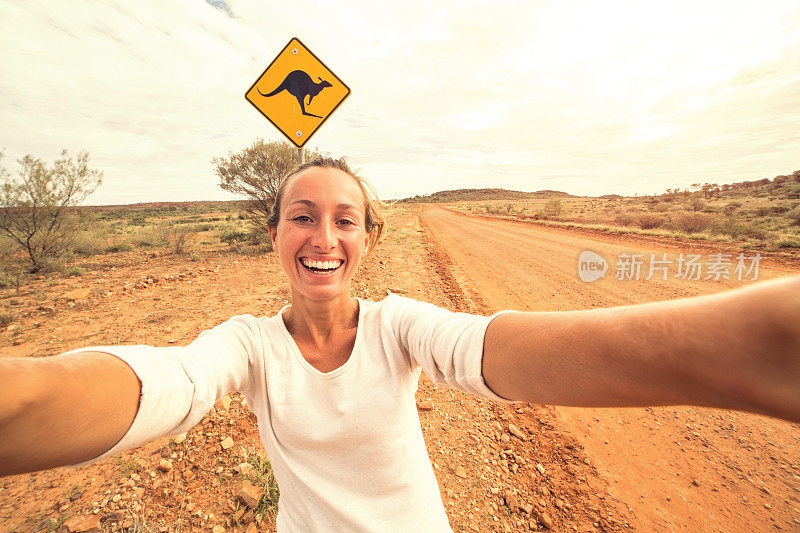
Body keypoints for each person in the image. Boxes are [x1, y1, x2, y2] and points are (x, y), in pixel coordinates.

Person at [1, 157, 799, 531]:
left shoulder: (400, 325)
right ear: (274, 234)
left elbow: (491, 349)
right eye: (302, 215)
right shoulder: (244, 345)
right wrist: (25, 394)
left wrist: (738, 346)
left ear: (369, 240)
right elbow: (170, 383)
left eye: (345, 218)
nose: (323, 235)